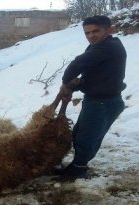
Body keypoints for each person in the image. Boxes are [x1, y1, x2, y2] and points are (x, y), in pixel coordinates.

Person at [56, 15, 126, 179]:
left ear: (109, 30)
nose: (91, 36)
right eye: (87, 33)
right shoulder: (99, 47)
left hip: (104, 102)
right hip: (96, 99)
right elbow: (95, 76)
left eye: (96, 31)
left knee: (86, 138)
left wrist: (67, 83)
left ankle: (79, 169)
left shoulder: (109, 47)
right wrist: (76, 85)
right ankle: (78, 164)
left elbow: (78, 64)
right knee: (79, 133)